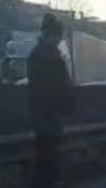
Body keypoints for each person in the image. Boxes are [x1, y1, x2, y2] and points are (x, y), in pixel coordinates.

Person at [28, 14, 75, 188]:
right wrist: (67, 104)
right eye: (58, 36)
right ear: (53, 34)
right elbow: (59, 85)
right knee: (48, 157)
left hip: (43, 113)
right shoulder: (50, 55)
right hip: (49, 114)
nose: (59, 40)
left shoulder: (39, 53)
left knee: (45, 156)